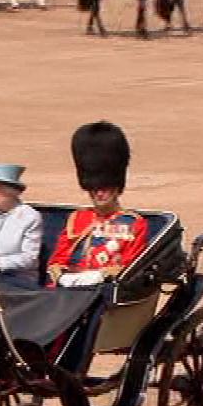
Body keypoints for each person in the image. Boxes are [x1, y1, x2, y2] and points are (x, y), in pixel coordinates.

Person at [47, 121, 148, 288]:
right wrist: (62, 277)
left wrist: (100, 275)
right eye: (94, 188)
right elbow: (58, 260)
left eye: (105, 188)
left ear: (116, 188)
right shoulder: (77, 219)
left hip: (104, 293)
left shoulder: (134, 223)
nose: (99, 193)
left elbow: (130, 267)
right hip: (68, 291)